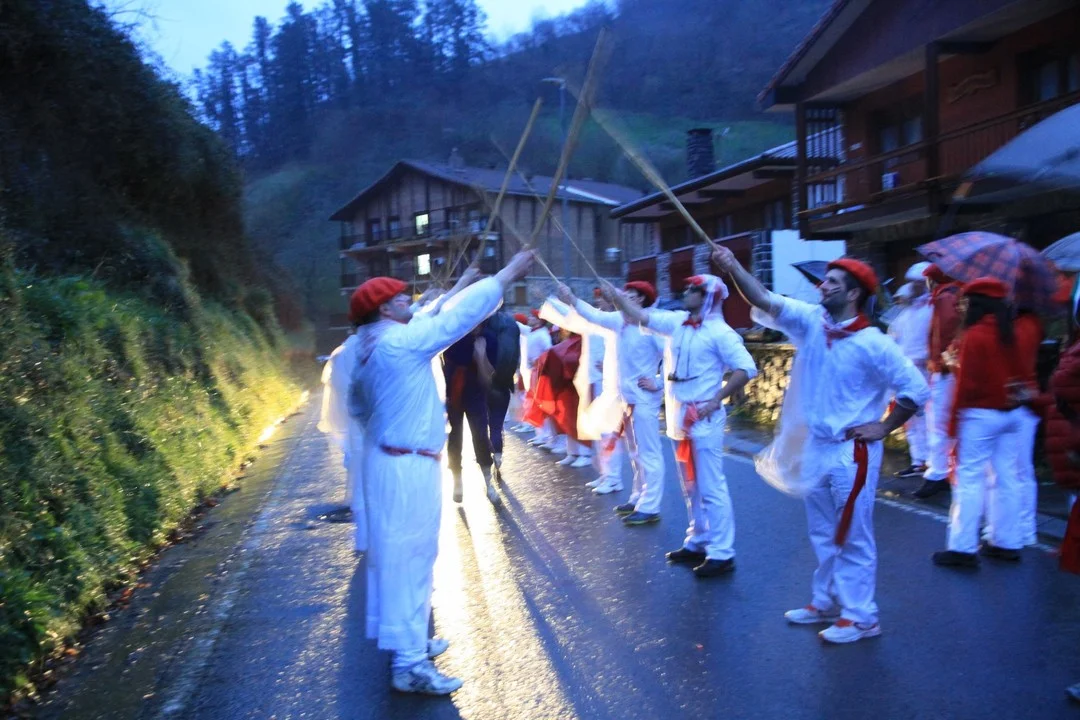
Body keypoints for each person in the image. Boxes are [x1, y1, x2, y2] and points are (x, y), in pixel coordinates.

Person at [712, 247, 928, 644]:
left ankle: (861, 617)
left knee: (853, 534)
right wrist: (732, 267)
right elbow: (764, 299)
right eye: (824, 280)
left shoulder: (875, 344)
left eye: (832, 282)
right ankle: (826, 602)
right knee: (824, 531)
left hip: (851, 452)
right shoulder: (812, 321)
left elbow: (916, 389)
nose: (822, 286)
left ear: (853, 294)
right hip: (816, 447)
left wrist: (884, 427)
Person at [348, 251, 534, 695]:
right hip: (404, 466)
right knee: (408, 560)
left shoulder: (372, 345)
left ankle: (411, 642)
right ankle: (409, 665)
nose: (408, 300)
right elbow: (453, 321)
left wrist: (468, 281)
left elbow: (359, 405)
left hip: (398, 461)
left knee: (414, 557)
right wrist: (508, 273)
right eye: (399, 298)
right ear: (384, 310)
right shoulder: (397, 344)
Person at [605, 273, 756, 577]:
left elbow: (746, 368)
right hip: (679, 414)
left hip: (704, 417)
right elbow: (640, 315)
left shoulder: (721, 332)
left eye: (693, 289)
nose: (685, 291)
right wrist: (617, 298)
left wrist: (716, 399)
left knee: (711, 485)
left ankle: (722, 552)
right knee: (690, 485)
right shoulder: (676, 322)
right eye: (686, 287)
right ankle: (697, 540)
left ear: (708, 296)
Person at [932, 278, 1027, 568]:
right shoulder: (1011, 331)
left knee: (969, 479)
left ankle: (962, 548)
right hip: (1011, 413)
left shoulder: (974, 335)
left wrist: (952, 425)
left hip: (980, 414)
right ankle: (1006, 541)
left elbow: (966, 386)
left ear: (976, 304)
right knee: (1006, 477)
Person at [556, 280, 667, 522]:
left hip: (644, 399)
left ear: (640, 299)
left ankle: (650, 507)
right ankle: (638, 498)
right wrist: (571, 298)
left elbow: (674, 354)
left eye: (629, 294)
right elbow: (593, 315)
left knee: (649, 453)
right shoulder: (619, 321)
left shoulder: (653, 323)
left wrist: (659, 381)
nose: (623, 297)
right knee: (635, 453)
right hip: (625, 399)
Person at [916, 264, 963, 499]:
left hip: (945, 369)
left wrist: (939, 361)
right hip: (954, 367)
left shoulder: (944, 298)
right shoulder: (956, 294)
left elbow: (942, 335)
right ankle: (946, 469)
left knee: (937, 421)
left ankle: (938, 473)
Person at [888, 264, 933, 479]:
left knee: (928, 418)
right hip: (906, 371)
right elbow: (895, 337)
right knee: (911, 418)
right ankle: (917, 460)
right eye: (912, 282)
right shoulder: (906, 313)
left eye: (918, 282)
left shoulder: (932, 309)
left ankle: (932, 462)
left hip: (926, 370)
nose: (914, 286)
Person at [443, 327, 497, 505]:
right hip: (453, 394)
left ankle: (488, 483)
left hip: (476, 393)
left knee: (480, 435)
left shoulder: (487, 338)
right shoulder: (453, 334)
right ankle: (457, 481)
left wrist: (481, 356)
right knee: (454, 437)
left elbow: (488, 378)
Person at [479, 310, 521, 478]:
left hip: (482, 384)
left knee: (482, 424)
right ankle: (498, 455)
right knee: (497, 425)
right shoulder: (510, 328)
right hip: (502, 384)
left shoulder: (483, 333)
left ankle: (486, 456)